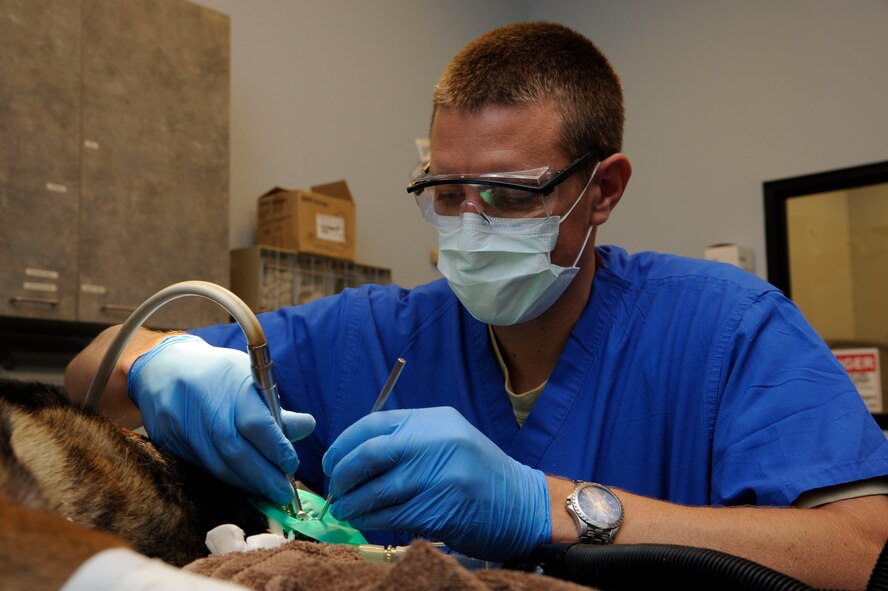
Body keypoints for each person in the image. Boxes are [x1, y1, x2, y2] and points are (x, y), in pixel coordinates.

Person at [66, 21, 888, 588]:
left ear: (602, 190)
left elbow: (861, 551)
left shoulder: (727, 329)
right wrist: (160, 366)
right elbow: (86, 375)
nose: (469, 225)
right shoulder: (377, 331)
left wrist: (551, 507)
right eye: (447, 191)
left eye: (506, 194)